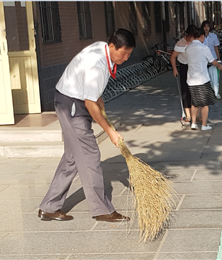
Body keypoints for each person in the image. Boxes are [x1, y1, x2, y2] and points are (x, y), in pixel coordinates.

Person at [38, 29, 135, 222]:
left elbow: (87, 86)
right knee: (90, 153)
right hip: (72, 105)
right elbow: (90, 105)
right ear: (113, 46)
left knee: (73, 157)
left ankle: (49, 206)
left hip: (70, 99)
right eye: (123, 53)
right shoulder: (97, 65)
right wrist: (110, 132)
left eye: (129, 55)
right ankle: (102, 209)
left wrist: (97, 95)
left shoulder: (102, 48)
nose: (125, 58)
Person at [185, 28, 222, 131]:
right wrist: (219, 65)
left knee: (195, 102)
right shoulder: (203, 48)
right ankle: (204, 125)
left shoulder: (188, 48)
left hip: (191, 79)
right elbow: (212, 61)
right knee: (204, 104)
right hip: (202, 79)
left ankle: (193, 123)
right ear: (202, 36)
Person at [171, 25, 196, 126]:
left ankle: (195, 114)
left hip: (194, 67)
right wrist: (175, 69)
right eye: (191, 36)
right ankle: (188, 114)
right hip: (184, 67)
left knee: (195, 90)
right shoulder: (180, 43)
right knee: (185, 90)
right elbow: (173, 57)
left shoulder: (195, 43)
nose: (193, 39)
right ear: (188, 35)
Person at [200, 20, 221, 99]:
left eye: (208, 26)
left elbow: (216, 48)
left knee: (214, 77)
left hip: (213, 59)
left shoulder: (213, 36)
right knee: (205, 77)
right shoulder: (200, 37)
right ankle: (207, 93)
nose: (206, 28)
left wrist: (218, 59)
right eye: (205, 26)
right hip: (203, 59)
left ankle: (216, 92)